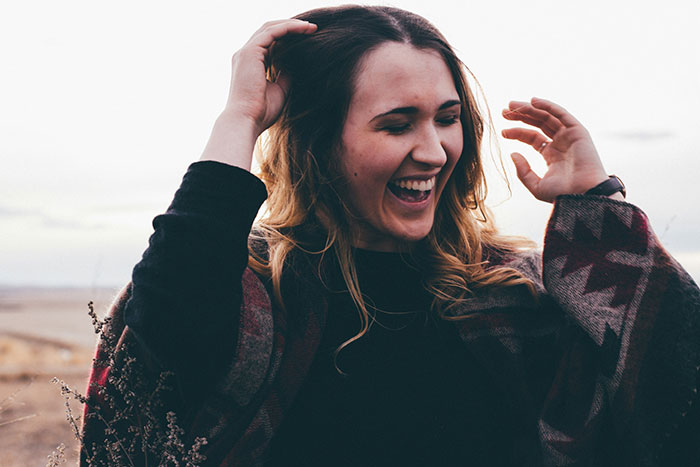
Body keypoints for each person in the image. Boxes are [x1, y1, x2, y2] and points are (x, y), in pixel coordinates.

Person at [80, 5, 700, 466]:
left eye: (448, 118)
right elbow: (160, 348)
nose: (434, 151)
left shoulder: (515, 295)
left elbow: (673, 389)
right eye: (397, 125)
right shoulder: (253, 293)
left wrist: (598, 210)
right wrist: (240, 117)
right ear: (320, 142)